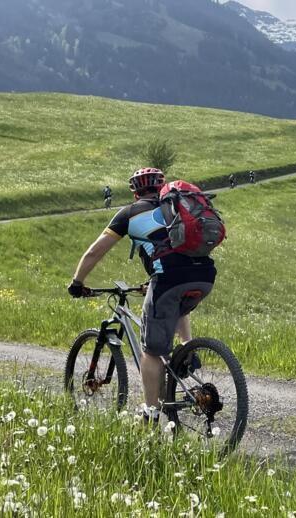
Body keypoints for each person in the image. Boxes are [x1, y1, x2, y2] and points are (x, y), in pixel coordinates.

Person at [68, 167, 217, 421]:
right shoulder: (177, 207)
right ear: (162, 185)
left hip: (169, 278)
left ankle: (151, 413)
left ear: (135, 191)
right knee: (175, 304)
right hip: (204, 274)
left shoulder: (129, 214)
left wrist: (77, 281)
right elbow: (175, 249)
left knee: (152, 351)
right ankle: (186, 352)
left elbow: (95, 252)